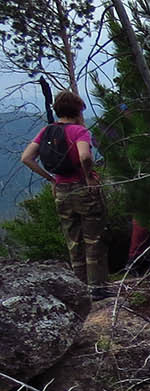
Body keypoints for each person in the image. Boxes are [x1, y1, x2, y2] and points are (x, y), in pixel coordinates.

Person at [20, 90, 110, 297]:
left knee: (73, 239)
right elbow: (85, 157)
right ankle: (97, 288)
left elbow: (26, 158)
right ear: (77, 110)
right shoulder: (79, 131)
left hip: (61, 190)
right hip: (82, 188)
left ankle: (78, 288)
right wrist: (88, 176)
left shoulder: (47, 131)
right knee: (94, 238)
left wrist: (51, 179)